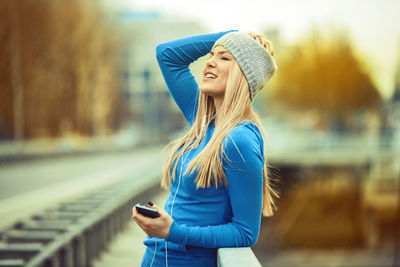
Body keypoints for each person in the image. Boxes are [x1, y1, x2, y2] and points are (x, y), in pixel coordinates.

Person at [132, 30, 278, 267]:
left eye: (224, 58)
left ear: (244, 75)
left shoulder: (239, 139)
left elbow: (245, 232)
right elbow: (166, 54)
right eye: (211, 55)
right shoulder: (202, 121)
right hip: (155, 258)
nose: (209, 61)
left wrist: (174, 231)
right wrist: (232, 34)